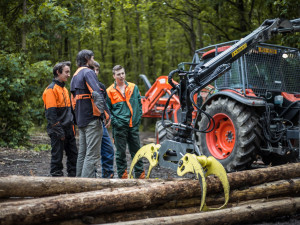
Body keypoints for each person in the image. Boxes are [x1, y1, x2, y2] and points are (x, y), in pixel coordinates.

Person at [70, 50, 109, 178]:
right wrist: (105, 114)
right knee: (92, 155)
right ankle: (85, 186)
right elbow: (97, 93)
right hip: (92, 119)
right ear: (87, 58)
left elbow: (73, 102)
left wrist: (76, 119)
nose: (93, 60)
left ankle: (78, 182)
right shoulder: (88, 72)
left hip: (81, 120)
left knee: (83, 153)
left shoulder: (75, 75)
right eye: (93, 58)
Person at [106, 65, 144, 179]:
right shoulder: (109, 91)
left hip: (133, 125)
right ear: (114, 76)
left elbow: (139, 104)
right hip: (119, 127)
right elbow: (108, 110)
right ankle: (123, 176)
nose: (121, 76)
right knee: (120, 153)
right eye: (118, 74)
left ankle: (140, 175)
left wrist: (137, 119)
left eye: (123, 73)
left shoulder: (133, 87)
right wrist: (116, 122)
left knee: (137, 152)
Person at [42, 61, 78, 177]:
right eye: (66, 72)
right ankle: (56, 184)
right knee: (57, 158)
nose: (69, 74)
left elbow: (69, 112)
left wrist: (72, 127)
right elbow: (51, 115)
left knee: (73, 157)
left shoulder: (65, 89)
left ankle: (73, 182)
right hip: (57, 130)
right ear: (58, 72)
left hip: (69, 129)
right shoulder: (51, 90)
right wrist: (59, 131)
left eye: (69, 72)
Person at [94, 61, 115, 178]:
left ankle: (107, 176)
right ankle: (91, 178)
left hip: (101, 123)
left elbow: (105, 104)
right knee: (91, 153)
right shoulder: (84, 85)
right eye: (93, 70)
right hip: (89, 123)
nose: (95, 72)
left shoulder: (101, 87)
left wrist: (108, 116)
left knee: (109, 150)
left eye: (97, 70)